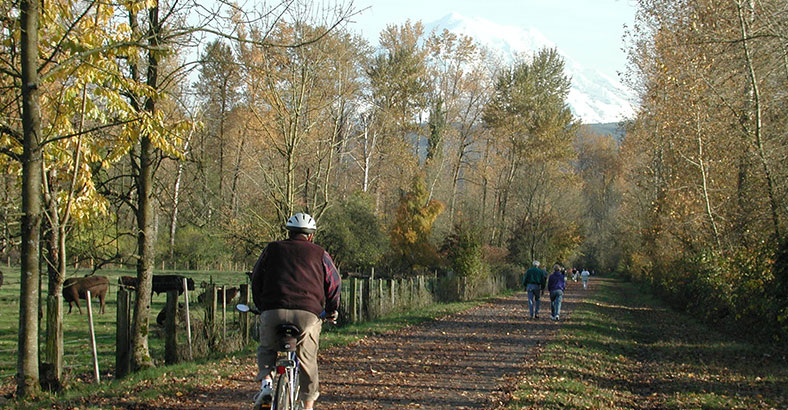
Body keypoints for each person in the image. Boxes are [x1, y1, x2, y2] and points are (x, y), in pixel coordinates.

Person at [251, 212, 341, 410]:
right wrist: (332, 310)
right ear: (310, 236)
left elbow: (256, 278)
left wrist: (261, 306)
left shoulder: (272, 249)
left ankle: (266, 384)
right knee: (308, 360)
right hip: (308, 314)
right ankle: (307, 406)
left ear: (289, 233)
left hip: (273, 309)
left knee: (267, 348)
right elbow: (334, 283)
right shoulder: (320, 253)